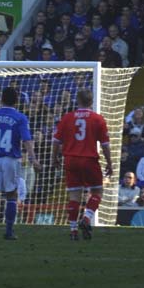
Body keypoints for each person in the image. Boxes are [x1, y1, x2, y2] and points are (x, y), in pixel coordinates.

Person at [0, 87, 41, 240]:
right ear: (17, 101)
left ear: (1, 99)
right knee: (11, 194)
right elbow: (26, 140)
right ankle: (9, 230)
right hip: (11, 159)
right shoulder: (20, 117)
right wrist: (33, 159)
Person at [52, 88, 112, 240]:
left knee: (74, 195)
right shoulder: (98, 119)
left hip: (70, 160)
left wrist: (54, 158)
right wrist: (109, 163)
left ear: (77, 101)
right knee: (97, 191)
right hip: (89, 160)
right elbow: (105, 144)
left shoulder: (67, 117)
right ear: (91, 102)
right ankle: (86, 218)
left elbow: (56, 141)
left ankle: (73, 231)